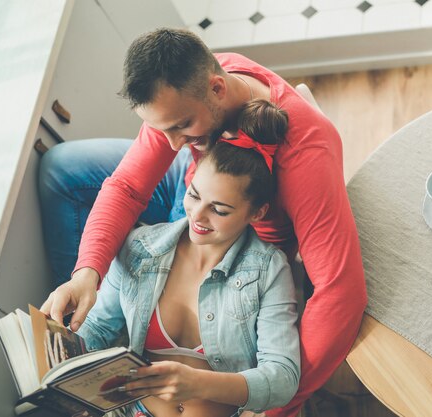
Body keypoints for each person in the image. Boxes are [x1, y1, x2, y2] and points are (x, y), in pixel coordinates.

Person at [39, 28, 366, 416]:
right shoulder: (188, 93)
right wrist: (87, 273)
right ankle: (90, 308)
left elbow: (340, 291)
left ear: (217, 89)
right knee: (61, 169)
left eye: (179, 125)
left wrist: (273, 407)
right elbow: (126, 187)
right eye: (162, 129)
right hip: (195, 183)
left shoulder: (306, 154)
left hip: (234, 221)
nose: (171, 143)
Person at [78, 99, 300, 417]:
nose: (197, 215)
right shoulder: (140, 247)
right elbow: (98, 328)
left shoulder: (268, 270)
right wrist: (61, 350)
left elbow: (282, 378)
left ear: (257, 213)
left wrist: (197, 383)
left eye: (219, 209)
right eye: (194, 195)